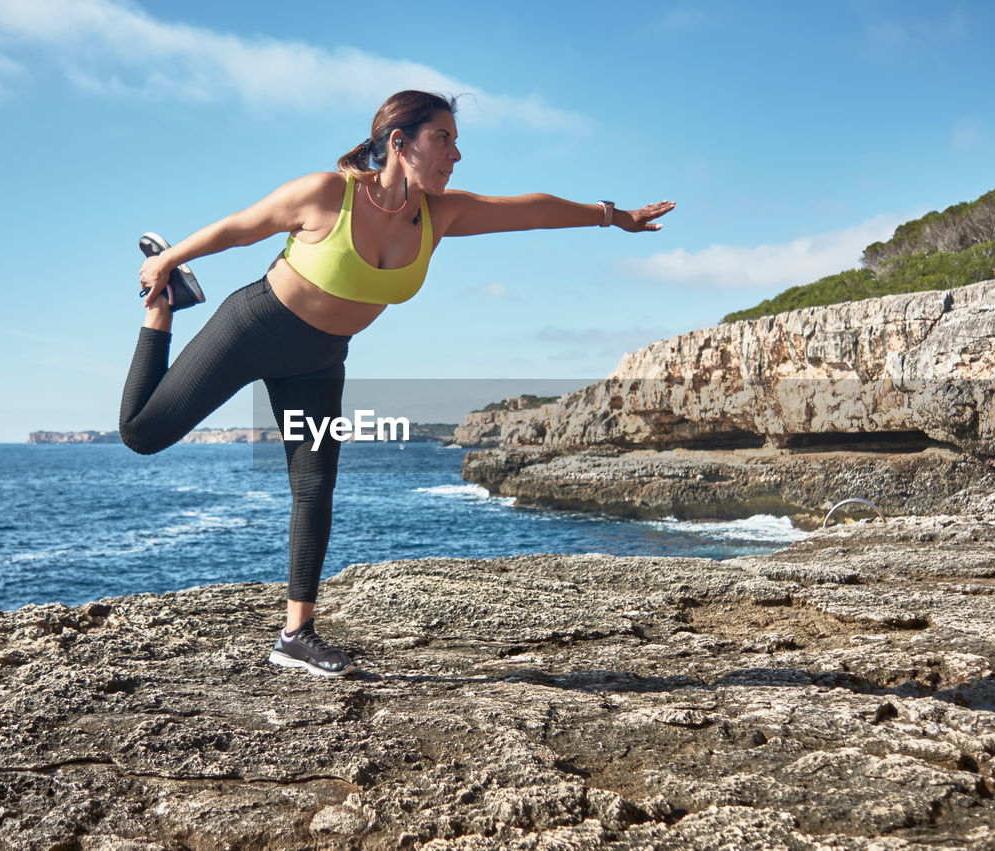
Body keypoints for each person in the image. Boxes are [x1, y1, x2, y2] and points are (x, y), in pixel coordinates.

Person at [119, 90, 675, 678]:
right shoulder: (327, 194)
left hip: (319, 360)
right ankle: (165, 306)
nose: (456, 156)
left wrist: (614, 216)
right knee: (142, 434)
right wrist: (165, 261)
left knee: (315, 485)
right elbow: (239, 228)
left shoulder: (442, 214)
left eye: (457, 143)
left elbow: (528, 208)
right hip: (254, 327)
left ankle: (296, 634)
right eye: (445, 140)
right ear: (399, 143)